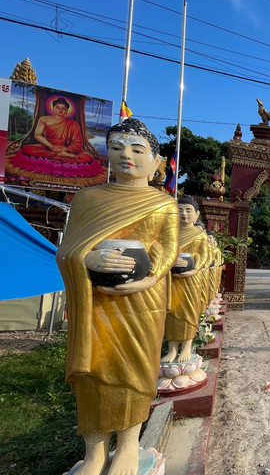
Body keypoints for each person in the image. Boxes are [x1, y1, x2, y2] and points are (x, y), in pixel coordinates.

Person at [56, 118, 179, 475]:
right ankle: (94, 452)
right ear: (106, 154)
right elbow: (67, 250)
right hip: (95, 301)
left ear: (156, 162)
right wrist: (86, 257)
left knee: (135, 372)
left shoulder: (163, 204)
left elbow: (165, 251)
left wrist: (145, 280)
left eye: (138, 150)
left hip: (143, 302)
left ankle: (127, 446)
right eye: (117, 147)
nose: (126, 155)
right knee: (94, 372)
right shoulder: (88, 199)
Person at [162, 196, 211, 364]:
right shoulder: (170, 233)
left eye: (188, 211)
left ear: (196, 215)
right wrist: (171, 260)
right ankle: (172, 348)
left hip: (191, 280)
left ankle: (186, 347)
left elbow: (205, 255)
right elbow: (162, 251)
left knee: (188, 312)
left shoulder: (200, 235)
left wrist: (193, 267)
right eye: (180, 210)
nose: (184, 214)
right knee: (171, 312)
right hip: (171, 279)